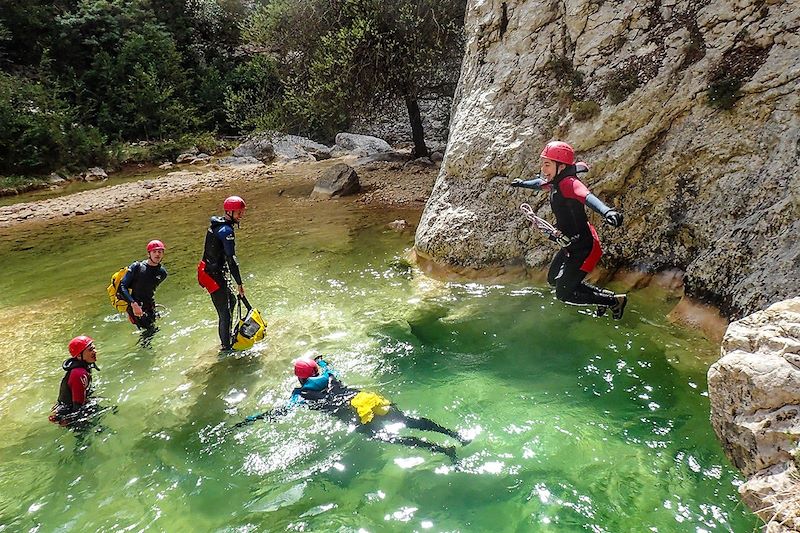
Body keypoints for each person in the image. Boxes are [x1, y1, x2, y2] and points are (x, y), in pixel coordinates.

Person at [239, 356, 469, 460]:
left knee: (393, 438)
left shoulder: (301, 394)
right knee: (408, 420)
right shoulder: (328, 376)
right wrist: (321, 362)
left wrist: (254, 418)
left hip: (356, 416)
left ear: (299, 378)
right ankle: (454, 434)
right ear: (316, 371)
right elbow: (327, 366)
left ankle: (444, 451)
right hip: (366, 399)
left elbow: (283, 411)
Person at [511, 141, 628, 319]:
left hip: (583, 249)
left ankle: (612, 302)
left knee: (563, 294)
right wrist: (522, 184)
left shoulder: (569, 183)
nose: (543, 169)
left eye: (547, 164)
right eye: (542, 163)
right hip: (570, 245)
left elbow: (587, 197)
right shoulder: (555, 181)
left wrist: (607, 211)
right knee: (553, 280)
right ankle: (606, 297)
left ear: (561, 166)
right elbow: (539, 183)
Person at [198, 196, 247, 351]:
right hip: (212, 275)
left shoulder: (218, 225)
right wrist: (239, 283)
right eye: (239, 213)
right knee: (224, 312)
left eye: (242, 212)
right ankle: (226, 348)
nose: (241, 216)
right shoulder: (226, 231)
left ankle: (227, 336)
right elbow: (231, 260)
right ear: (229, 212)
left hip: (211, 270)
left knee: (231, 302)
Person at [49, 336, 100, 427]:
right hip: (68, 414)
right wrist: (81, 424)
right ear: (79, 355)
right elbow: (78, 407)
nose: (95, 351)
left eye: (94, 348)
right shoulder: (79, 374)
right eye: (90, 350)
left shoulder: (84, 367)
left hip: (69, 407)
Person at [117, 239, 168, 332]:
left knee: (152, 331)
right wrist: (133, 304)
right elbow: (122, 287)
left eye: (160, 252)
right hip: (135, 306)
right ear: (149, 254)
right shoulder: (137, 267)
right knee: (149, 332)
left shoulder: (162, 273)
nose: (157, 254)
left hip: (149, 306)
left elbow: (149, 290)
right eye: (154, 252)